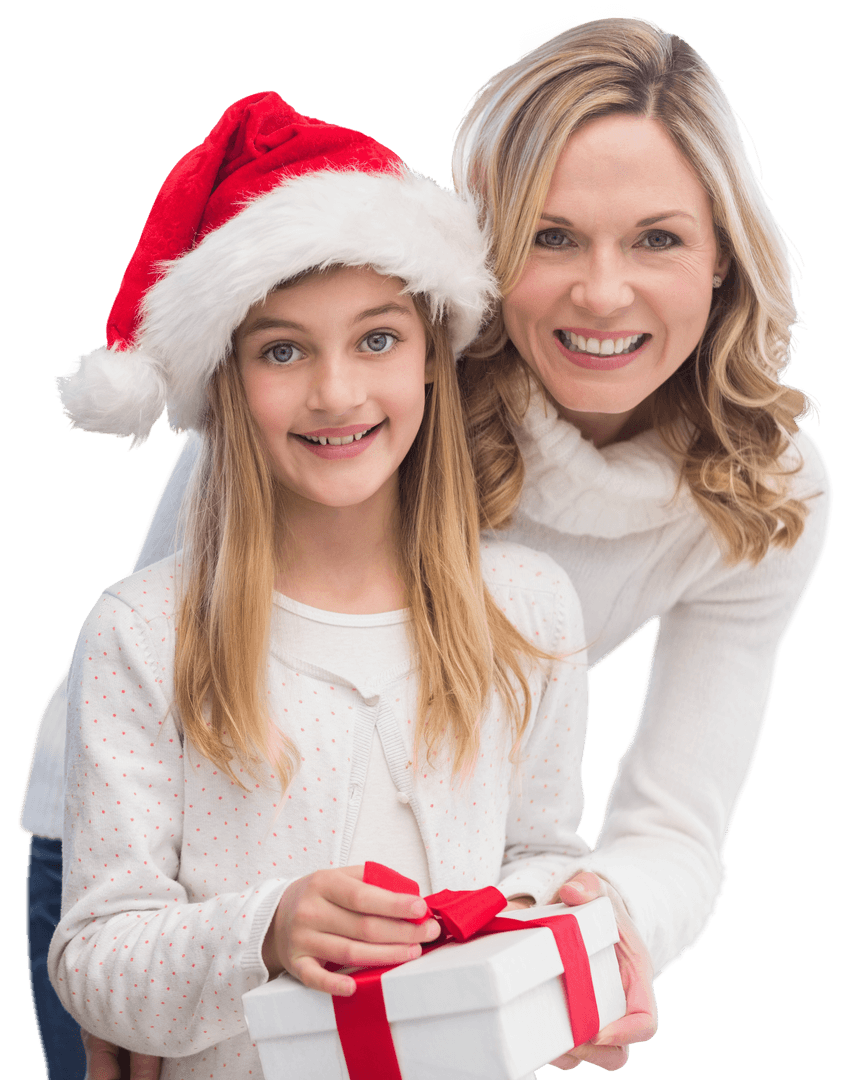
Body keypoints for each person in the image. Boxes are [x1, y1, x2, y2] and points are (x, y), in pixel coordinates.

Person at [22, 12, 830, 1076]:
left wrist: (591, 938)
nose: (600, 291)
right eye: (550, 235)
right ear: (490, 250)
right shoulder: (358, 380)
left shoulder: (761, 494)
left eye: (657, 237)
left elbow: (669, 820)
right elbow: (173, 643)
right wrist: (146, 979)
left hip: (432, 880)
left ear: (724, 255)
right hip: (169, 852)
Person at [44, 92, 595, 1079]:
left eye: (376, 339)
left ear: (431, 356)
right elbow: (95, 956)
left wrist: (574, 923)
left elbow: (537, 853)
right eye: (283, 349)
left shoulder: (527, 610)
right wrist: (266, 929)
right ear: (224, 380)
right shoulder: (145, 631)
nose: (336, 392)